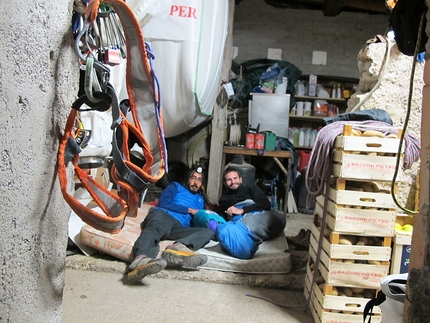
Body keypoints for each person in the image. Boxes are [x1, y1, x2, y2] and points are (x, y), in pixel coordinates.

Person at [127, 167, 215, 283]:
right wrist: (189, 210)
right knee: (154, 230)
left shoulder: (200, 200)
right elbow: (164, 202)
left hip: (179, 227)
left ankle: (178, 248)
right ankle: (141, 260)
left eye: (199, 180)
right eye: (193, 178)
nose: (195, 182)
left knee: (208, 232)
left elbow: (199, 220)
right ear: (187, 179)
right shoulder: (176, 186)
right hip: (164, 215)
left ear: (202, 184)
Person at [215, 166, 286, 259]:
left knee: (267, 220)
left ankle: (246, 243)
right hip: (239, 218)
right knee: (223, 228)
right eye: (229, 180)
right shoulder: (224, 199)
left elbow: (265, 204)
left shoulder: (251, 188)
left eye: (235, 178)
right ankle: (247, 240)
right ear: (225, 183)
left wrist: (243, 210)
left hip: (257, 211)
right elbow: (224, 216)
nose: (233, 182)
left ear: (240, 179)